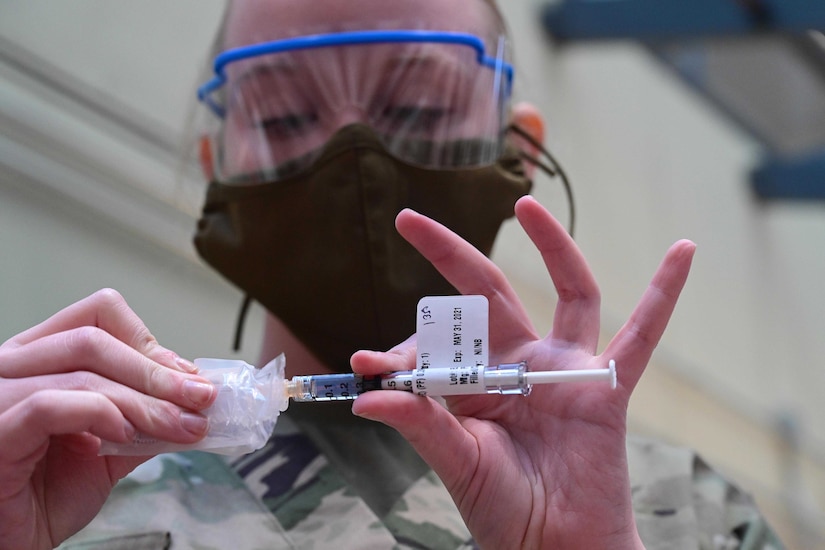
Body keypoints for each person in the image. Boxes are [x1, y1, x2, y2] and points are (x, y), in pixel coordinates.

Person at [0, 0, 781, 548]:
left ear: (517, 147)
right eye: (281, 119)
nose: (355, 154)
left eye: (421, 109)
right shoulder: (67, 501)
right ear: (218, 166)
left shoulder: (686, 517)